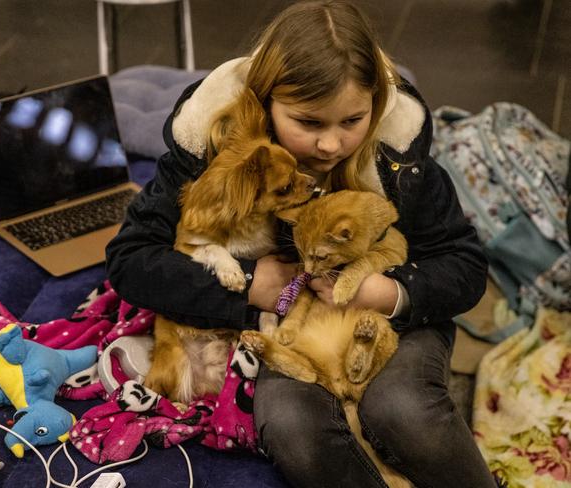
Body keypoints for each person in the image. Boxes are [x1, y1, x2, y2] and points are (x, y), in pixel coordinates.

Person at [106, 1, 497, 487]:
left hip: (385, 311)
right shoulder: (214, 151)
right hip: (285, 327)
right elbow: (129, 260)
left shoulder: (401, 163)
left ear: (376, 105)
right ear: (265, 105)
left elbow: (463, 264)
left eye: (352, 121)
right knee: (292, 424)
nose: (332, 145)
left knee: (404, 408)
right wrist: (249, 286)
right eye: (309, 123)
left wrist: (388, 292)